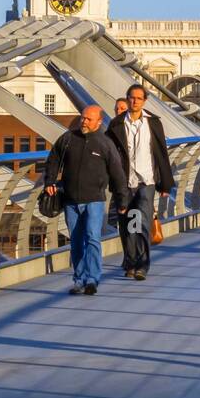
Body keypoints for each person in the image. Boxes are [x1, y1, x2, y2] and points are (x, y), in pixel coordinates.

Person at [44, 104, 125, 296]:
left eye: (89, 119)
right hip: (71, 199)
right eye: (83, 118)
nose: (84, 122)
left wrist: (122, 200)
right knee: (76, 241)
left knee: (92, 238)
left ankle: (92, 279)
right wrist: (50, 180)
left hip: (94, 200)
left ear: (98, 121)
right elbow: (54, 157)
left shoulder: (105, 143)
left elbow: (117, 173)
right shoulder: (69, 138)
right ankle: (79, 279)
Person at [106, 84, 177, 280]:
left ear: (144, 101)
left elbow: (161, 153)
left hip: (147, 180)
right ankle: (130, 262)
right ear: (127, 99)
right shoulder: (116, 124)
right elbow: (108, 154)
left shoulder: (153, 123)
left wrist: (165, 184)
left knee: (143, 223)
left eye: (138, 98)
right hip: (124, 181)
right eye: (131, 97)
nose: (134, 101)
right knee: (127, 224)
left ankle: (142, 265)